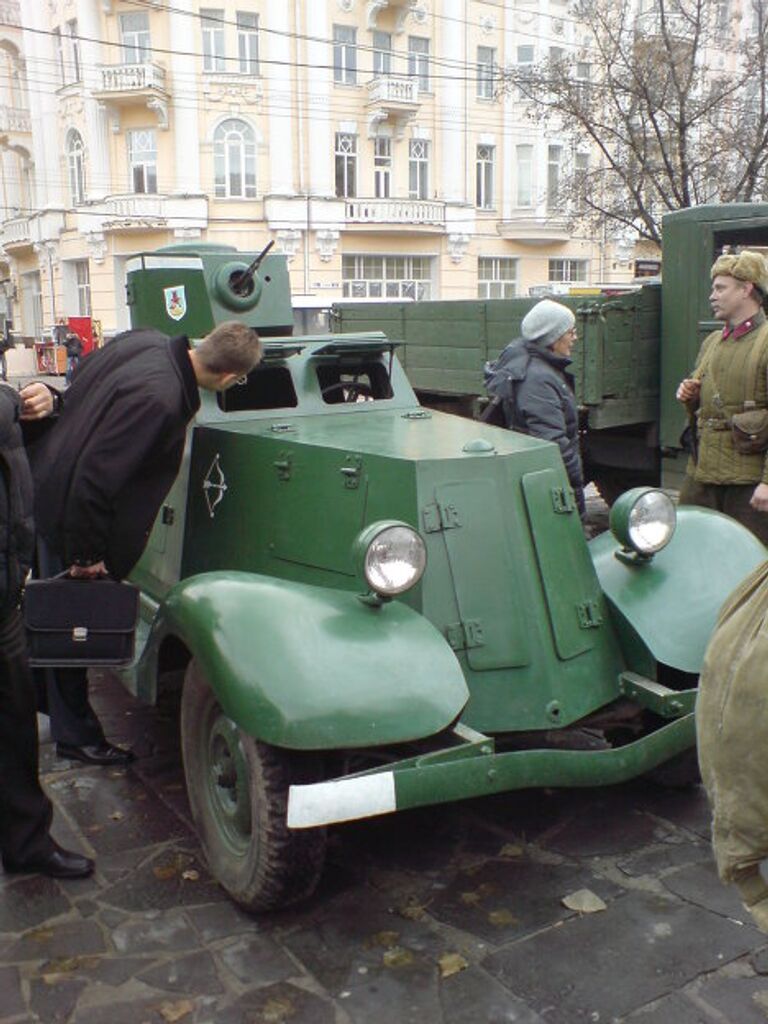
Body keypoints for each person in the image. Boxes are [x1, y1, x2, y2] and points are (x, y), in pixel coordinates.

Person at [32, 320, 263, 766]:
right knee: (72, 629)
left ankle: (48, 705)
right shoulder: (160, 399)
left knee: (54, 624)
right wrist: (86, 557)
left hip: (50, 482)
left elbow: (81, 383)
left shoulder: (144, 340)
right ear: (231, 378)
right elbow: (95, 482)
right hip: (69, 513)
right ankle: (75, 736)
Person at [0, 379, 93, 878]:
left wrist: (46, 397)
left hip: (5, 588)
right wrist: (15, 402)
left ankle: (25, 842)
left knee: (16, 723)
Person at [676, 250, 768, 545]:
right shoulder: (713, 342)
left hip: (748, 484)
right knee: (696, 554)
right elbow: (708, 407)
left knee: (749, 568)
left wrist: (767, 483)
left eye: (720, 288)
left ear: (746, 289)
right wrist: (689, 397)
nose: (712, 296)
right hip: (703, 475)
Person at [485, 298, 585, 518]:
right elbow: (553, 443)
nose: (575, 338)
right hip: (552, 491)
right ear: (553, 338)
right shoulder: (538, 379)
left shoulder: (540, 369)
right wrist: (575, 485)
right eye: (571, 332)